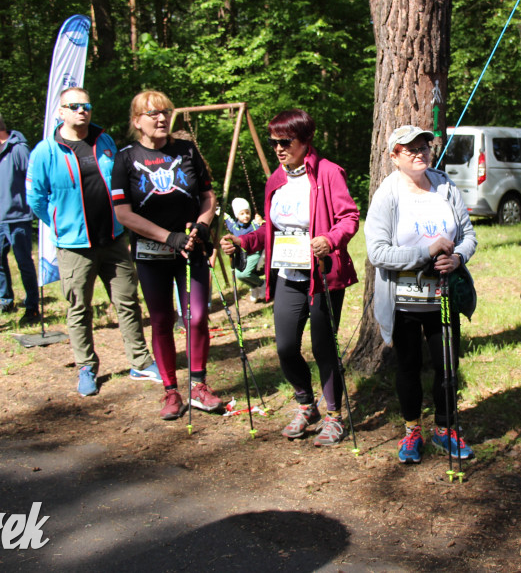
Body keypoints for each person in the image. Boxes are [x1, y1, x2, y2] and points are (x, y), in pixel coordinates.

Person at [220, 109, 359, 446]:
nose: (279, 149)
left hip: (323, 275)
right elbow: (270, 230)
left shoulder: (328, 173)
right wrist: (242, 241)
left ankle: (334, 416)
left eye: (285, 142)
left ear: (305, 140)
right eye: (274, 143)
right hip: (288, 273)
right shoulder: (275, 180)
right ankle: (306, 404)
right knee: (284, 347)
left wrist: (329, 240)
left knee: (324, 348)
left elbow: (349, 217)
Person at [26, 87, 159, 397]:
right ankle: (86, 367)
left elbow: (120, 183)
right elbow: (36, 198)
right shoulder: (45, 151)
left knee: (128, 302)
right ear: (61, 112)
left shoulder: (104, 141)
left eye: (85, 106)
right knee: (79, 308)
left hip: (113, 238)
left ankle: (140, 362)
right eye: (73, 106)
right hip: (74, 246)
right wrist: (60, 224)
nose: (81, 111)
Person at [366, 125, 478, 465]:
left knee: (447, 366)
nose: (420, 153)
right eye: (410, 148)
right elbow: (377, 252)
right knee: (409, 366)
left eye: (424, 146)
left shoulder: (445, 186)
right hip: (403, 300)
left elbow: (468, 236)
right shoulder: (388, 194)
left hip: (443, 295)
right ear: (394, 156)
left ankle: (445, 428)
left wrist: (457, 258)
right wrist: (425, 252)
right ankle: (412, 430)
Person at [111, 90, 222, 420]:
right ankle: (171, 391)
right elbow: (123, 214)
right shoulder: (125, 158)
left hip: (191, 247)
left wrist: (202, 225)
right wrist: (167, 237)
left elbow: (208, 195)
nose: (161, 119)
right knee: (161, 320)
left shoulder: (186, 149)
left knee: (197, 316)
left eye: (165, 112)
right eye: (153, 114)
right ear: (137, 121)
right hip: (151, 253)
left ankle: (199, 386)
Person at [0, 108, 40, 326]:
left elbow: (32, 180)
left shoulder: (19, 149)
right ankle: (6, 300)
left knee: (23, 260)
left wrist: (31, 208)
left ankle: (32, 307)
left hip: (16, 213)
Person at [225, 197, 264, 300]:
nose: (245, 216)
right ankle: (254, 287)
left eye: (247, 213)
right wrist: (219, 210)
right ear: (237, 215)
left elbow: (263, 229)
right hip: (243, 255)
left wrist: (261, 222)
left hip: (255, 253)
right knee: (239, 275)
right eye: (242, 214)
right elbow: (227, 218)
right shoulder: (235, 227)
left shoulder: (254, 224)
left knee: (246, 273)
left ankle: (262, 284)